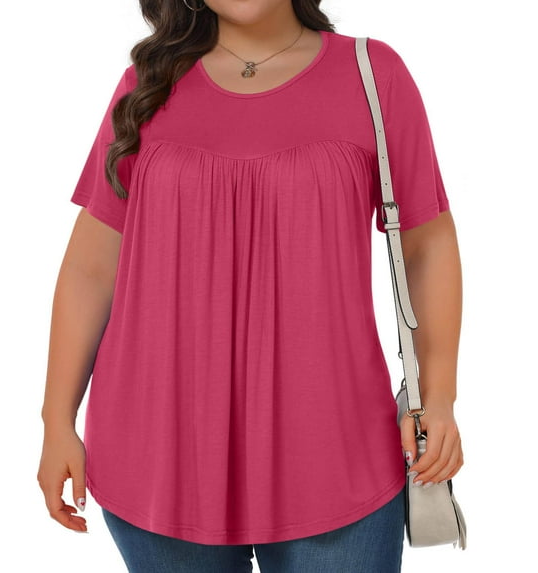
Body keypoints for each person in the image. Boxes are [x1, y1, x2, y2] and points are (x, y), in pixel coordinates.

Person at [37, 1, 464, 571]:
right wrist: (56, 420)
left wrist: (439, 397)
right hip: (159, 452)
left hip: (334, 452)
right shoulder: (146, 85)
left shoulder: (372, 74)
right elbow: (91, 268)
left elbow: (426, 245)